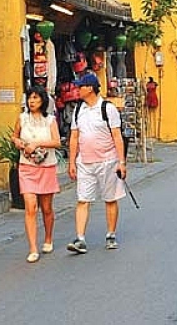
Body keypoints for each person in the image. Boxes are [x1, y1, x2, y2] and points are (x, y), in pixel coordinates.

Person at [67, 73, 127, 254]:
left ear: (90, 88)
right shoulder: (78, 110)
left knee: (110, 199)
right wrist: (71, 162)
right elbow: (74, 137)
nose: (77, 89)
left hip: (108, 161)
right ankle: (80, 238)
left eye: (81, 86)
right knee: (82, 199)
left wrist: (121, 162)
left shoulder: (108, 109)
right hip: (85, 162)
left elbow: (117, 136)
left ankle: (110, 234)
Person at [11, 85, 62, 263]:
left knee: (46, 208)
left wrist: (38, 143)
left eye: (35, 98)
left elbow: (57, 142)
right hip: (27, 166)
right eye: (29, 98)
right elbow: (14, 136)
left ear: (42, 100)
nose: (32, 101)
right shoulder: (22, 118)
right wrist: (18, 143)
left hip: (46, 166)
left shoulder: (50, 121)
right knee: (30, 207)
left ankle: (48, 238)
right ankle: (33, 247)